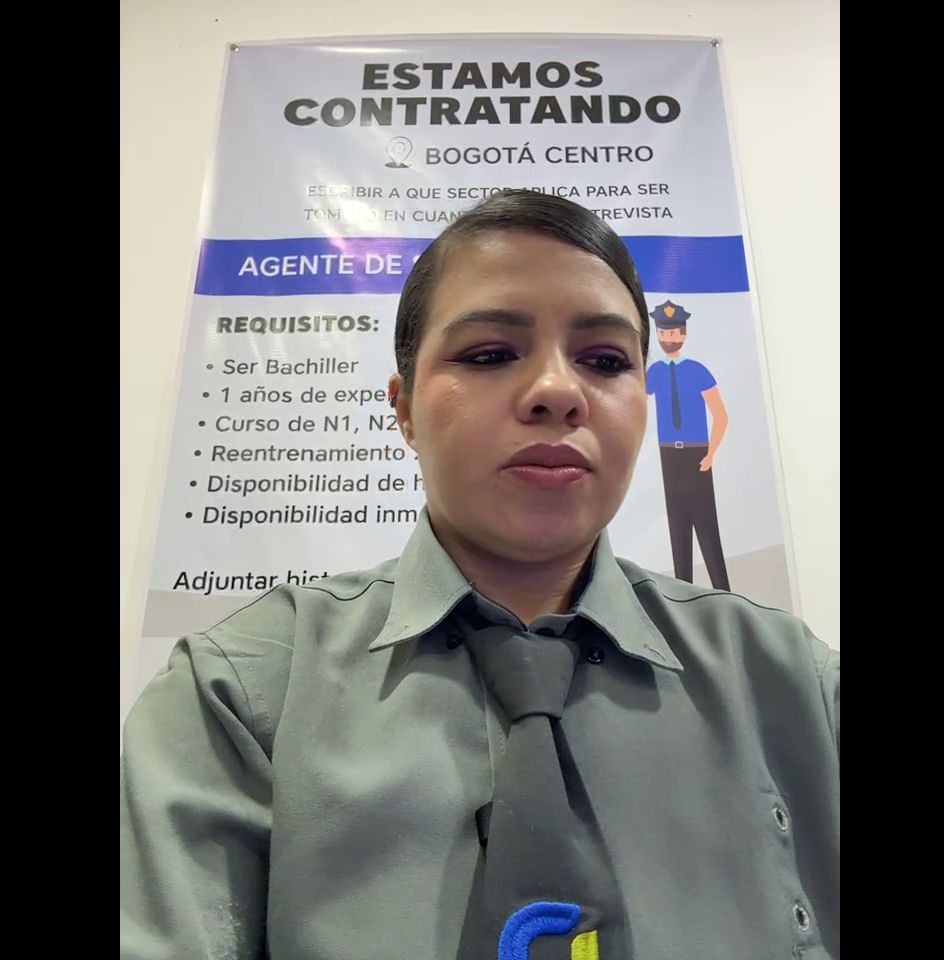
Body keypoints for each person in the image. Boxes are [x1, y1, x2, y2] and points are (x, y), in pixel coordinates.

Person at [120, 190, 839, 960]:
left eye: (604, 361)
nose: (558, 392)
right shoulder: (238, 696)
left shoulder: (792, 683)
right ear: (403, 410)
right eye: (490, 354)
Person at [645, 300, 731, 590]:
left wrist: (711, 454)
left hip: (697, 454)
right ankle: (683, 594)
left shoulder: (697, 370)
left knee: (707, 526)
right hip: (668, 455)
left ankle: (723, 592)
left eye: (673, 332)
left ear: (683, 334)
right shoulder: (654, 372)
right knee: (677, 527)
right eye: (663, 333)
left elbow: (720, 415)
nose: (668, 338)